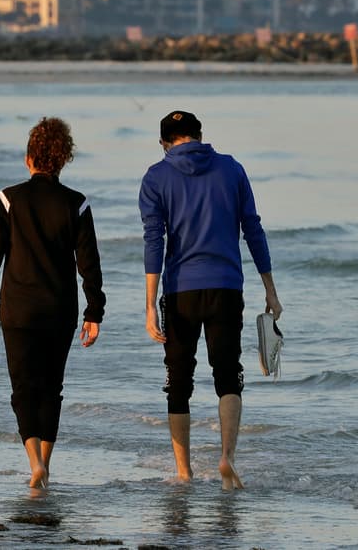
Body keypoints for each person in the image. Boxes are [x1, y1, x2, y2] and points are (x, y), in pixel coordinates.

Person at [0, 117, 105, 490]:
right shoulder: (76, 204)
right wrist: (94, 311)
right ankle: (45, 465)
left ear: (30, 157)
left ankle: (34, 462)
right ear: (62, 159)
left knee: (23, 388)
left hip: (18, 311)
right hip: (60, 310)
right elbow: (90, 264)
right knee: (52, 388)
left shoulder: (8, 199)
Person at [139, 110, 282, 489]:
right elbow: (253, 229)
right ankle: (226, 459)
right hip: (226, 288)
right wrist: (270, 289)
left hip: (180, 291)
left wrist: (150, 304)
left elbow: (155, 242)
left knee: (178, 382)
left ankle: (184, 473)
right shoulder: (232, 169)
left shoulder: (156, 177)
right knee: (228, 375)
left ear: (165, 143)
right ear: (200, 136)